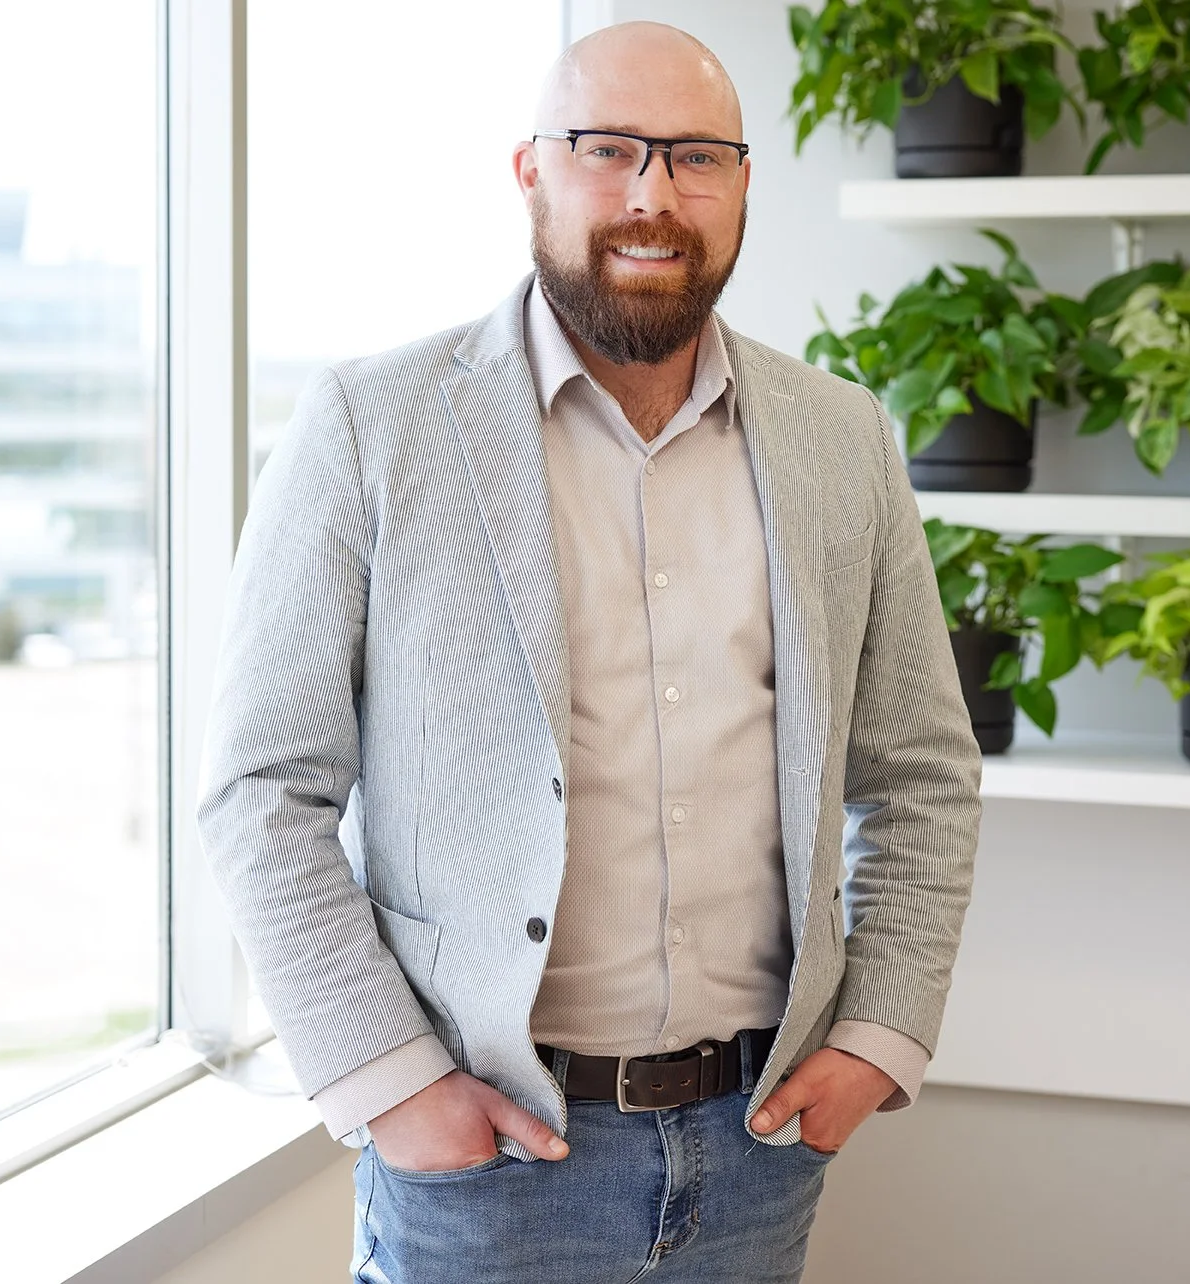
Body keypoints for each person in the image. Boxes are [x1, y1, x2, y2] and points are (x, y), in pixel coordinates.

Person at [196, 19, 981, 1283]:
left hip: (757, 1149)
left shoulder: (844, 438)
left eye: (695, 158)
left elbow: (921, 773)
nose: (650, 196)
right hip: (488, 1161)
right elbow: (258, 790)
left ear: (738, 186)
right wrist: (389, 1086)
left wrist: (881, 1032)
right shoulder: (369, 424)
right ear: (530, 173)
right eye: (607, 148)